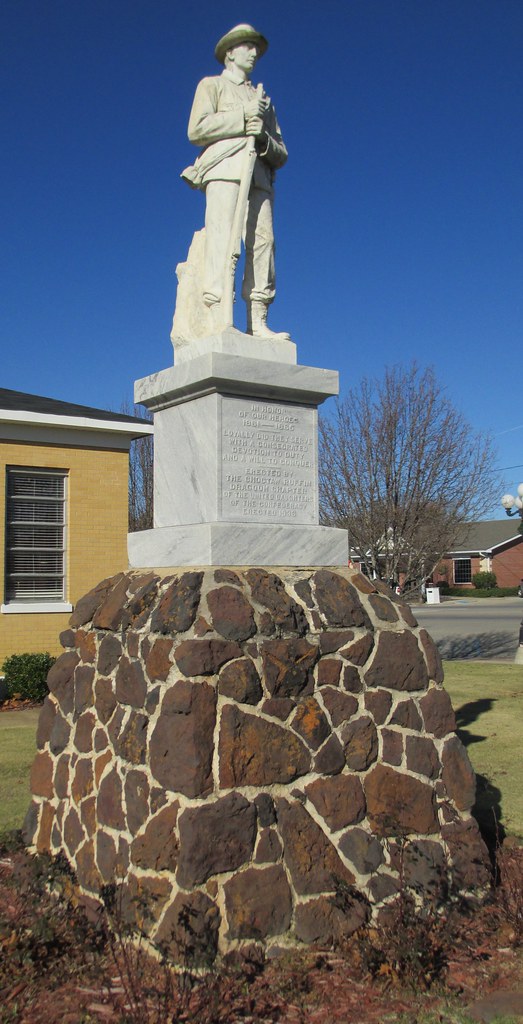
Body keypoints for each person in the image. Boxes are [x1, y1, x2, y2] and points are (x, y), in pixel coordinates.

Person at [181, 24, 289, 340]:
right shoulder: (211, 86)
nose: (254, 53)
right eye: (247, 46)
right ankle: (218, 315)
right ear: (230, 52)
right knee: (222, 242)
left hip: (259, 176)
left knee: (263, 246)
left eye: (256, 48)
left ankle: (258, 321)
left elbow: (282, 152)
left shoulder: (264, 100)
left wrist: (263, 139)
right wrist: (243, 116)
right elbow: (196, 130)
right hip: (224, 170)